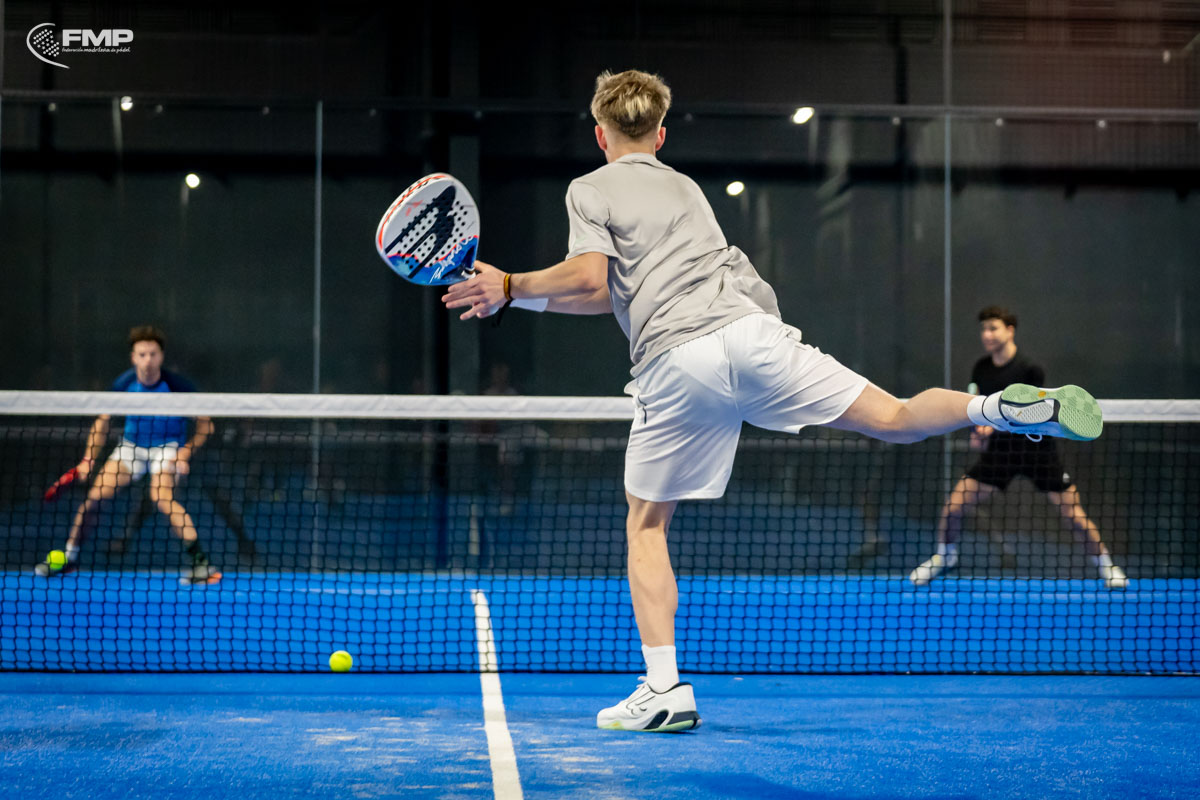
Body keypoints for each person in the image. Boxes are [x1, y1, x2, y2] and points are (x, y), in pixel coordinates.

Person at [442, 70, 1104, 732]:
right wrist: (514, 297)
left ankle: (664, 689)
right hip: (752, 335)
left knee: (646, 525)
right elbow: (608, 293)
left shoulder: (589, 187)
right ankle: (997, 408)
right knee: (898, 417)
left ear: (600, 134)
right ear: (661, 135)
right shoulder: (685, 188)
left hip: (679, 361)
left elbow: (588, 276)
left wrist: (510, 282)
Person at [909, 306, 1126, 590]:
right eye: (984, 329)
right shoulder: (981, 368)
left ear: (1010, 330)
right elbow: (976, 404)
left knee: (1073, 514)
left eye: (993, 328)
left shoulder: (1029, 369)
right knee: (954, 506)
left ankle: (1107, 566)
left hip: (1037, 453)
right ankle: (944, 556)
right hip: (999, 453)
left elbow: (1034, 413)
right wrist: (979, 434)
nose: (987, 334)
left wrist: (993, 426)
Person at [35, 326, 221, 586]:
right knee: (94, 499)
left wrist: (185, 453)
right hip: (131, 448)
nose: (148, 360)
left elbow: (206, 425)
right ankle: (70, 557)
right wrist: (88, 460)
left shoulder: (177, 386)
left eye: (153, 354)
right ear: (133, 357)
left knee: (162, 498)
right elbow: (102, 423)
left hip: (167, 448)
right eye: (142, 354)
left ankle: (201, 564)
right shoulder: (124, 384)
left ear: (161, 356)